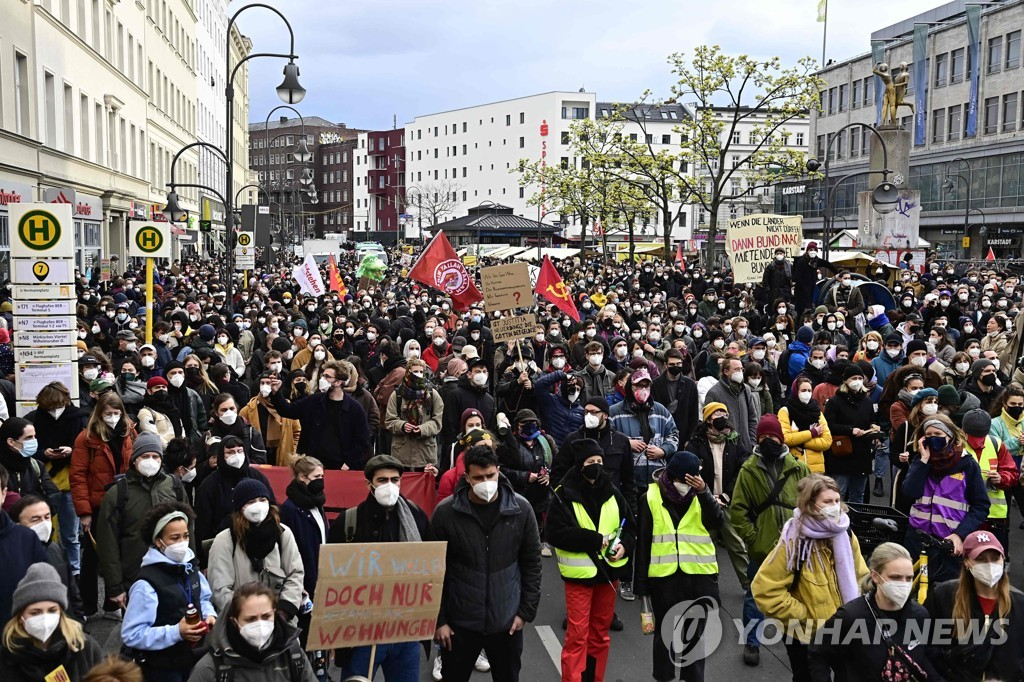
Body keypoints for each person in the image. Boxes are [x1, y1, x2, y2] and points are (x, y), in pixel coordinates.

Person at [430, 446, 542, 682]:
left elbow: (532, 562)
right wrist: (439, 621)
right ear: (467, 477)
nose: (486, 482)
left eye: (490, 475)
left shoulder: (521, 510)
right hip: (460, 626)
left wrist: (525, 612)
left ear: (498, 472)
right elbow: (433, 571)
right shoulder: (446, 514)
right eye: (478, 477)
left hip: (506, 624)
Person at [752, 473, 869, 682]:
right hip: (805, 638)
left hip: (845, 631)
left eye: (836, 500)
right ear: (810, 504)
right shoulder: (795, 541)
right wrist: (804, 616)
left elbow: (861, 576)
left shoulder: (845, 534)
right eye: (827, 501)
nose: (835, 506)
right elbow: (764, 590)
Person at [326, 455, 431, 681]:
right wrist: (333, 633)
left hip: (405, 631)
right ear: (369, 484)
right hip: (361, 635)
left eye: (395, 479)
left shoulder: (416, 516)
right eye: (383, 480)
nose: (390, 486)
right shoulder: (348, 522)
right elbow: (331, 580)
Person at [546, 438, 634, 682]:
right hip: (579, 578)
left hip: (608, 576)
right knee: (577, 636)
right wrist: (592, 540)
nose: (596, 465)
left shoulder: (613, 492)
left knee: (599, 635)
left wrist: (625, 546)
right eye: (590, 461)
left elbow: (630, 529)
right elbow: (553, 533)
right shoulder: (564, 494)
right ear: (579, 465)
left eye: (599, 461)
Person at [729, 415, 811, 667]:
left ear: (781, 438)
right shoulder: (749, 469)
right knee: (755, 596)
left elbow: (812, 503)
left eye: (772, 437)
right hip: (762, 547)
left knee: (799, 595)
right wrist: (753, 540)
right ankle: (752, 643)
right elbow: (738, 510)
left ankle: (800, 643)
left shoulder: (799, 467)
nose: (768, 441)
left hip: (796, 547)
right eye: (763, 437)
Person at [634, 451, 721, 682]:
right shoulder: (649, 498)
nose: (691, 485)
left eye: (696, 479)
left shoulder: (700, 494)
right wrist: (641, 589)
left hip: (699, 580)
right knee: (665, 639)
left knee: (694, 639)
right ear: (674, 477)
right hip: (665, 581)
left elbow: (717, 521)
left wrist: (704, 492)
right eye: (687, 481)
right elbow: (642, 544)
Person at [807, 542, 942, 681]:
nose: (904, 584)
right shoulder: (852, 616)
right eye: (895, 577)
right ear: (875, 576)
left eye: (908, 578)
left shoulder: (920, 615)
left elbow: (924, 657)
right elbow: (817, 653)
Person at [120, 502, 215, 682]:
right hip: (160, 668)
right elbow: (132, 634)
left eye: (185, 536)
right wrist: (176, 632)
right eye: (174, 538)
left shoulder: (191, 567)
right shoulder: (146, 584)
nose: (182, 543)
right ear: (159, 541)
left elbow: (203, 599)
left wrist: (209, 615)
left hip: (193, 658)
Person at [95, 433, 188, 613]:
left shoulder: (174, 487)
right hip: (135, 578)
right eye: (145, 456)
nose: (151, 461)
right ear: (134, 460)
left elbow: (188, 528)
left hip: (172, 574)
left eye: (155, 456)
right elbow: (108, 544)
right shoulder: (117, 493)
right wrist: (115, 587)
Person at [69, 392, 137, 617]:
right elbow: (77, 476)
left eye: (117, 413)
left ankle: (112, 604)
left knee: (119, 553)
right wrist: (84, 512)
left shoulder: (128, 432)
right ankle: (87, 606)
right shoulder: (86, 438)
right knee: (92, 556)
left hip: (123, 500)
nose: (113, 417)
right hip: (98, 504)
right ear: (99, 414)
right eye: (108, 414)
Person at [903, 414, 990, 583]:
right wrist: (923, 462)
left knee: (945, 595)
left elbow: (981, 506)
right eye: (928, 435)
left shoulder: (968, 465)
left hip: (949, 544)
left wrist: (959, 535)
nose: (932, 439)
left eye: (938, 434)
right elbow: (909, 493)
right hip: (917, 540)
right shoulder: (920, 462)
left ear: (950, 436)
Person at [926, 530, 1024, 681]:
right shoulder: (943, 596)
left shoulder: (1020, 603)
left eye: (995, 558)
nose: (990, 565)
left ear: (1003, 559)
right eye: (981, 559)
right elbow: (927, 646)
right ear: (966, 562)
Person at [207, 479, 304, 622]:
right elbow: (220, 590)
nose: (258, 505)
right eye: (251, 502)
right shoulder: (225, 540)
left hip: (281, 620)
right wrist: (248, 617)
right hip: (240, 623)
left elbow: (295, 574)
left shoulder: (283, 533)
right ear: (240, 508)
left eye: (262, 499)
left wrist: (283, 611)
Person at [187, 582, 317, 682]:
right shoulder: (210, 668)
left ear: (275, 614)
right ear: (234, 622)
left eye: (266, 617)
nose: (260, 625)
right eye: (251, 619)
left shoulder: (293, 655)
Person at [24, 381, 88, 579]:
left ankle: (74, 571)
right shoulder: (34, 419)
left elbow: (87, 449)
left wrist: (72, 450)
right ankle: (45, 569)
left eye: (58, 405)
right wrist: (44, 453)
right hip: (44, 484)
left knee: (70, 535)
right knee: (45, 533)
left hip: (70, 483)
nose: (55, 410)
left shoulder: (80, 418)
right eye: (50, 407)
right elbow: (29, 449)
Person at [0, 563, 103, 681]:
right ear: (20, 616)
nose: (44, 618)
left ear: (61, 612)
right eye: (35, 613)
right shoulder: (6, 657)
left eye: (52, 610)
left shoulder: (84, 648)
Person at [685, 403, 750, 590]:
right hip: (704, 502)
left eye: (724, 412)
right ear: (708, 419)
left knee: (737, 545)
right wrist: (706, 495)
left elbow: (742, 470)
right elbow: (691, 471)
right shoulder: (696, 443)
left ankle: (749, 586)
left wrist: (726, 495)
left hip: (727, 501)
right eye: (717, 413)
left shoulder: (735, 441)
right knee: (705, 546)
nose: (722, 415)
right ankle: (707, 584)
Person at [270, 361, 370, 470]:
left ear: (338, 382)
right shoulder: (315, 400)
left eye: (327, 377)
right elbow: (289, 411)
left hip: (339, 466)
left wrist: (348, 463)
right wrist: (276, 393)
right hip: (312, 464)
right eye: (323, 375)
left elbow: (362, 440)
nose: (322, 379)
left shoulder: (354, 408)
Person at [9, 495, 84, 619]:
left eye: (47, 517)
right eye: (35, 519)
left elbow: (73, 595)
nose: (44, 523)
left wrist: (79, 627)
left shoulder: (55, 549)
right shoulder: (10, 557)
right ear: (18, 525)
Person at [194, 437, 276, 548]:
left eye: (239, 451)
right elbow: (203, 524)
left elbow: (272, 506)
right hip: (225, 544)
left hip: (261, 539)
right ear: (221, 456)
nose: (236, 455)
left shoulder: (257, 477)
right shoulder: (209, 485)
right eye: (230, 452)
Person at [497, 409, 555, 556]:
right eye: (525, 423)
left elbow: (558, 465)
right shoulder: (510, 444)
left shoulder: (545, 442)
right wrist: (524, 476)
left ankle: (543, 541)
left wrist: (548, 475)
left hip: (542, 493)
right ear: (517, 426)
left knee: (540, 518)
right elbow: (501, 469)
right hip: (520, 492)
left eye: (532, 422)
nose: (529, 425)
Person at [959, 409, 1017, 553]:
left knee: (993, 559)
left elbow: (1012, 473)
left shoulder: (996, 444)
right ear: (963, 431)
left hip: (994, 517)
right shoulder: (956, 446)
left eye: (981, 436)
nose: (978, 441)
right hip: (964, 515)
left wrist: (1001, 478)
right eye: (973, 436)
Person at [822, 364, 879, 503]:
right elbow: (829, 425)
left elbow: (871, 419)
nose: (858, 381)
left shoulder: (867, 401)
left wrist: (873, 426)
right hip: (842, 453)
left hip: (862, 453)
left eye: (860, 378)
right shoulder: (835, 402)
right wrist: (850, 430)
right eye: (854, 378)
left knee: (858, 494)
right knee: (839, 493)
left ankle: (856, 522)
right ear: (846, 380)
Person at [385, 357, 444, 471]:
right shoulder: (397, 395)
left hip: (425, 451)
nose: (419, 374)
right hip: (402, 451)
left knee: (425, 485)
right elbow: (389, 420)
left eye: (421, 372)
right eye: (415, 371)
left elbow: (437, 421)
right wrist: (402, 425)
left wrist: (422, 428)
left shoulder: (432, 394)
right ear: (408, 373)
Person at [238, 371, 301, 467]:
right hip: (258, 457)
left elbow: (296, 431)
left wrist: (292, 450)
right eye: (262, 383)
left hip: (282, 456)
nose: (265, 386)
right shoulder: (248, 409)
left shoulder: (287, 408)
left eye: (268, 383)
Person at [778, 377, 832, 474]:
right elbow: (785, 438)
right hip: (794, 468)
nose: (807, 393)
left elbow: (827, 441)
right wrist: (812, 433)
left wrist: (801, 442)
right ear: (795, 391)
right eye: (803, 390)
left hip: (816, 470)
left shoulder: (817, 412)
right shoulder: (785, 411)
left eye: (809, 390)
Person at [704, 357, 758, 453]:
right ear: (726, 371)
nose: (740, 372)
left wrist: (752, 442)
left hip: (746, 447)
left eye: (741, 369)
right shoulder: (714, 393)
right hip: (725, 449)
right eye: (736, 369)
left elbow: (753, 418)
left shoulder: (746, 390)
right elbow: (709, 424)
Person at [207, 395, 268, 466]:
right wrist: (209, 464)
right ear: (216, 413)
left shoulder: (252, 433)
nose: (229, 413)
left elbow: (261, 461)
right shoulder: (209, 435)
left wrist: (240, 463)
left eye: (232, 408)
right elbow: (199, 465)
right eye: (224, 410)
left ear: (237, 409)